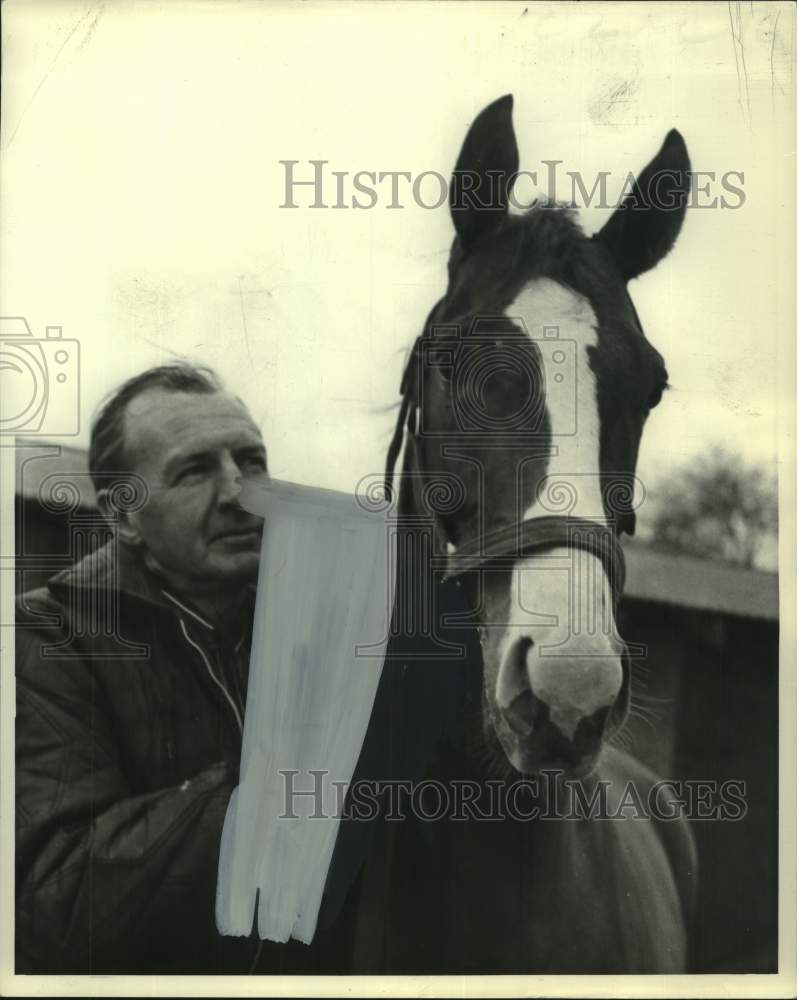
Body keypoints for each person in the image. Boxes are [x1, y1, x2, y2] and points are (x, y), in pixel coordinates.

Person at [15, 364, 281, 973]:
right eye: (195, 471)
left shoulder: (323, 625)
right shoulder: (45, 639)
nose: (242, 491)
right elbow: (59, 903)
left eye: (253, 461)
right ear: (124, 517)